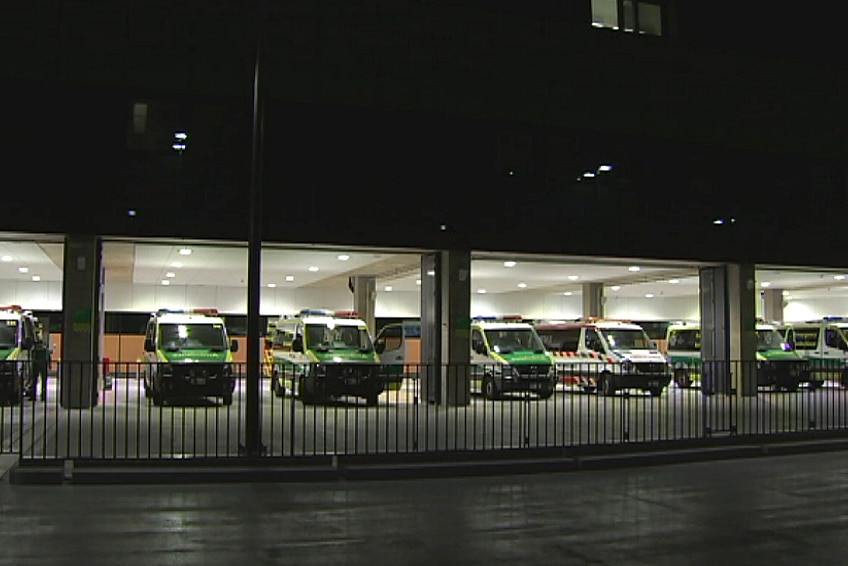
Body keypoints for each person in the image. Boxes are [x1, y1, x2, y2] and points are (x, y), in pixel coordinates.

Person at [31, 335, 50, 401]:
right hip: (43, 365)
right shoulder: (45, 349)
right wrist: (49, 365)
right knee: (44, 381)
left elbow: (33, 357)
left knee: (34, 381)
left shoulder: (35, 349)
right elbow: (48, 357)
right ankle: (43, 396)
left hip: (36, 365)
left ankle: (33, 396)